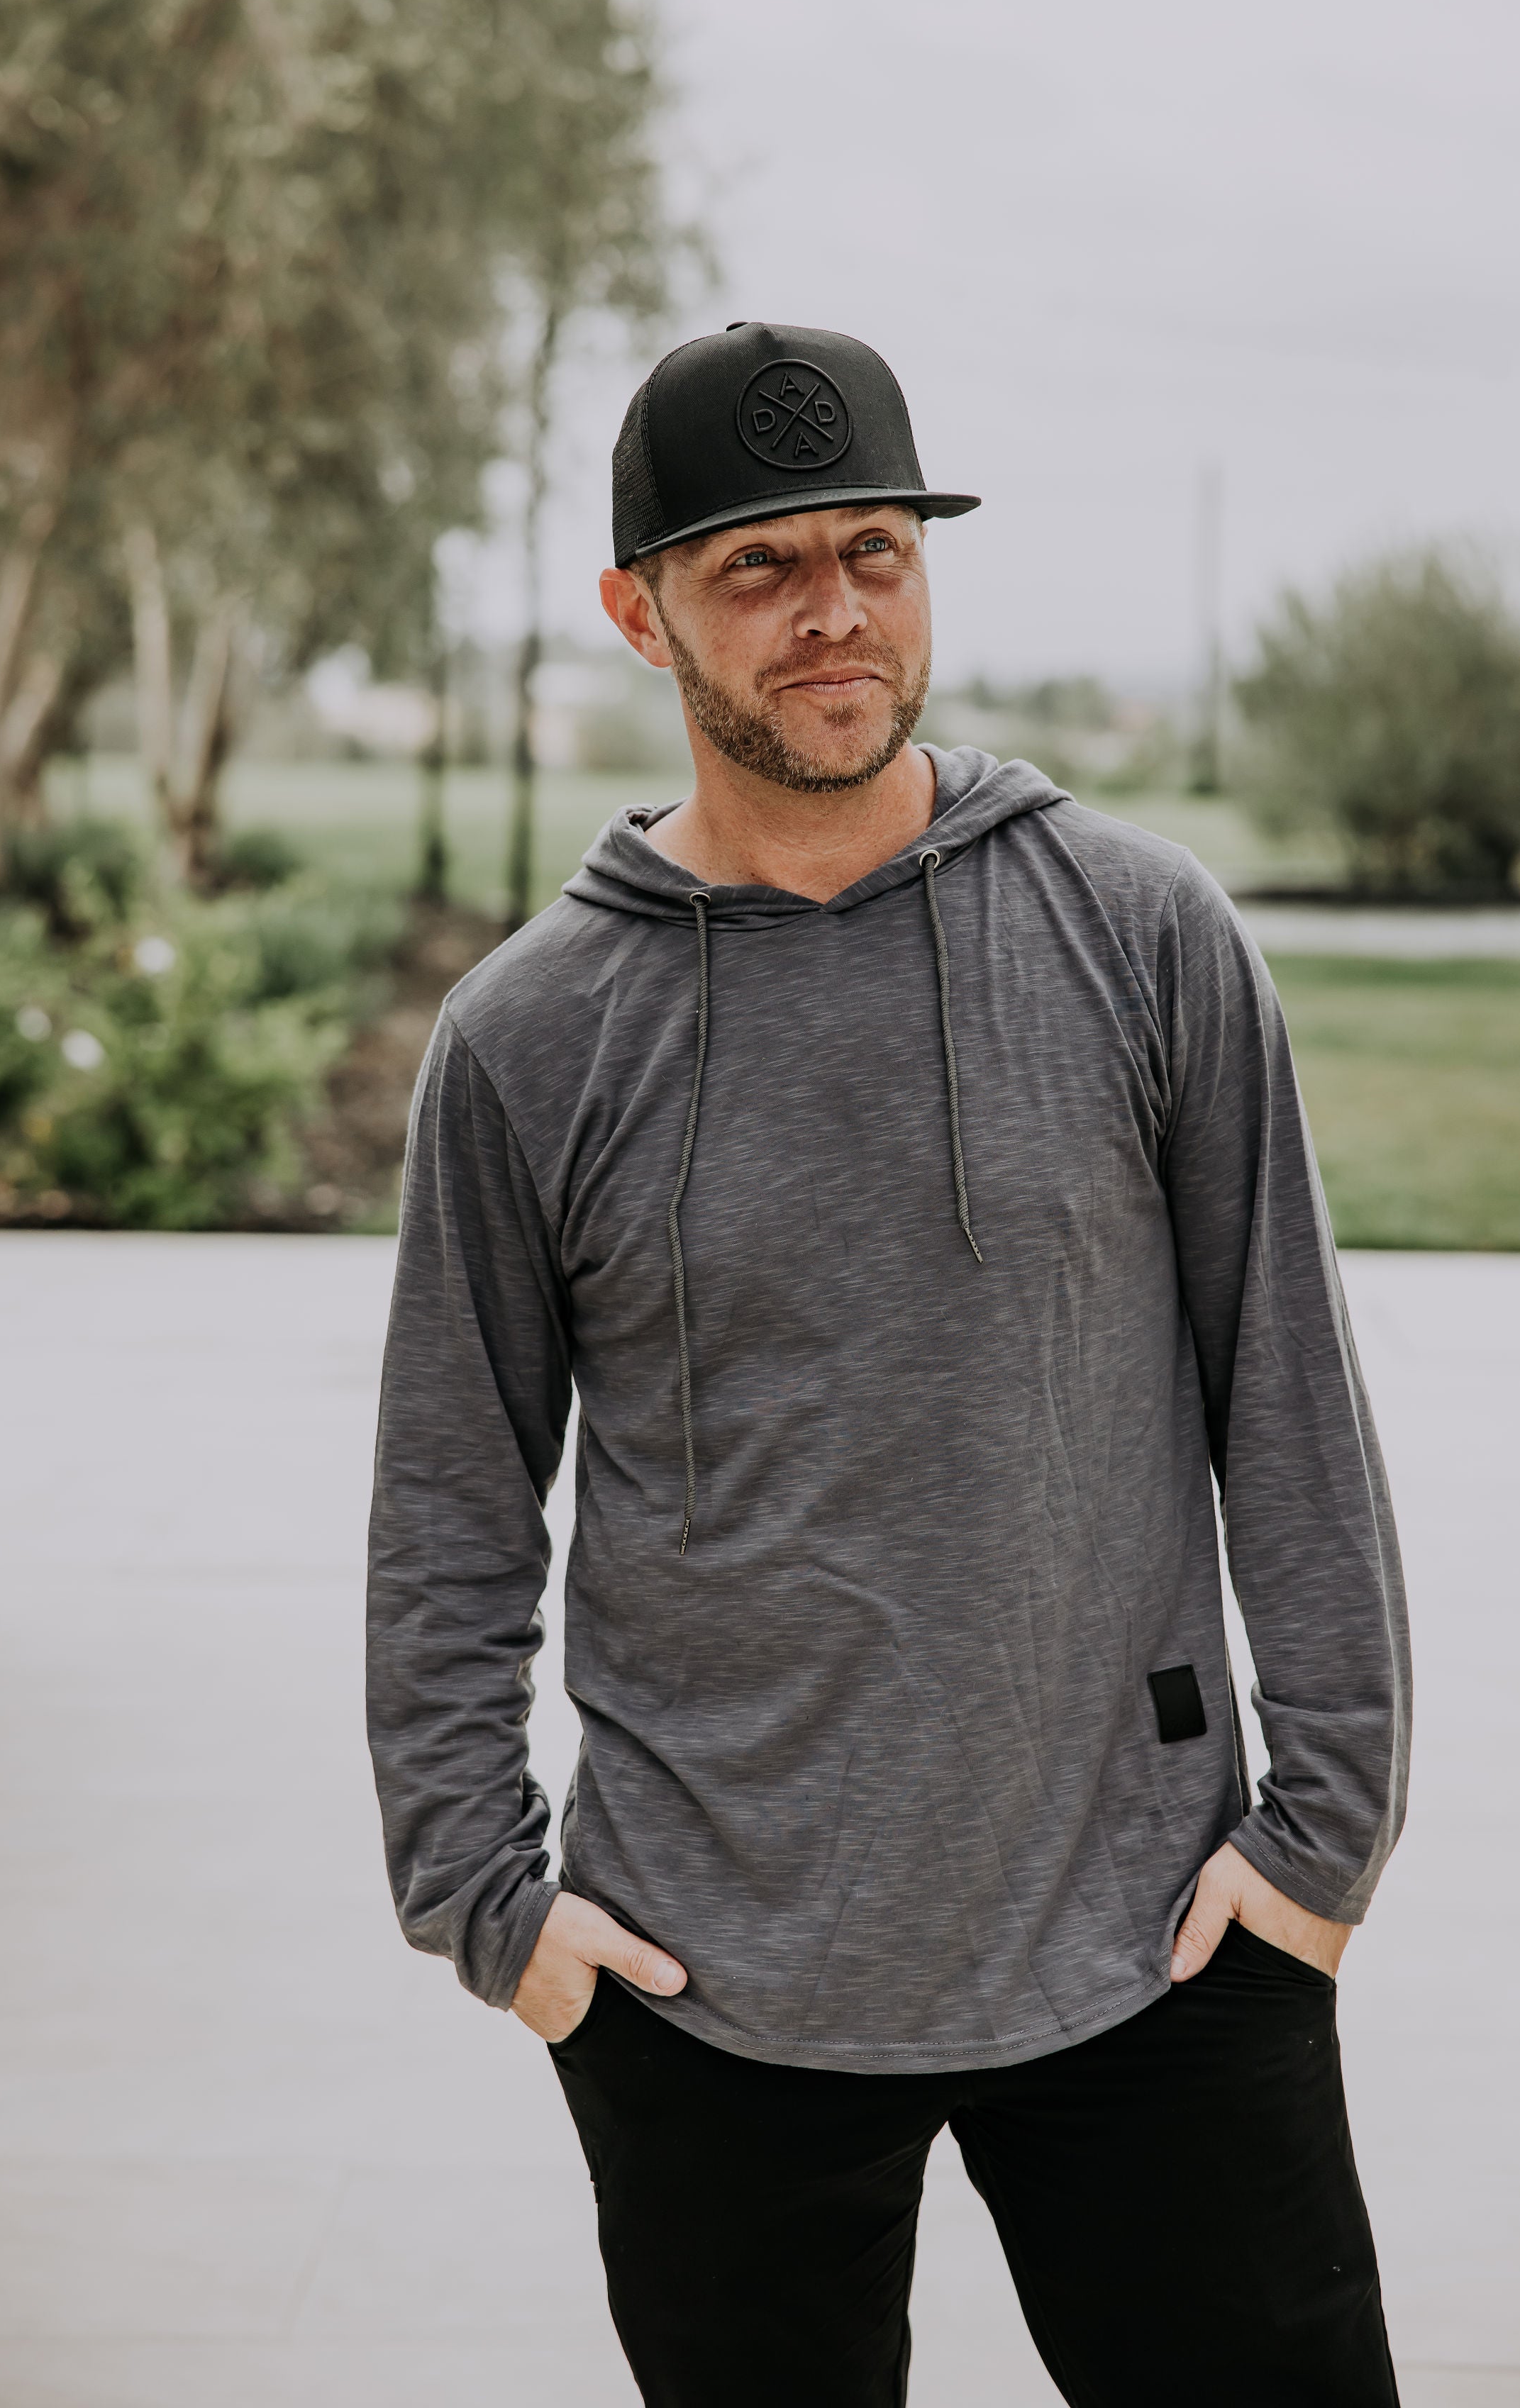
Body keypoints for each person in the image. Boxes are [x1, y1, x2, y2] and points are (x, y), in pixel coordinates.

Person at [367, 321, 1411, 2406]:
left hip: (1157, 1954)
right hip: (702, 1988)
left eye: (876, 550)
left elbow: (1287, 1403)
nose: (835, 609)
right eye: (759, 567)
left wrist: (1319, 1846)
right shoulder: (528, 1038)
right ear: (636, 607)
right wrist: (491, 1908)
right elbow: (450, 1508)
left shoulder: (1141, 934)